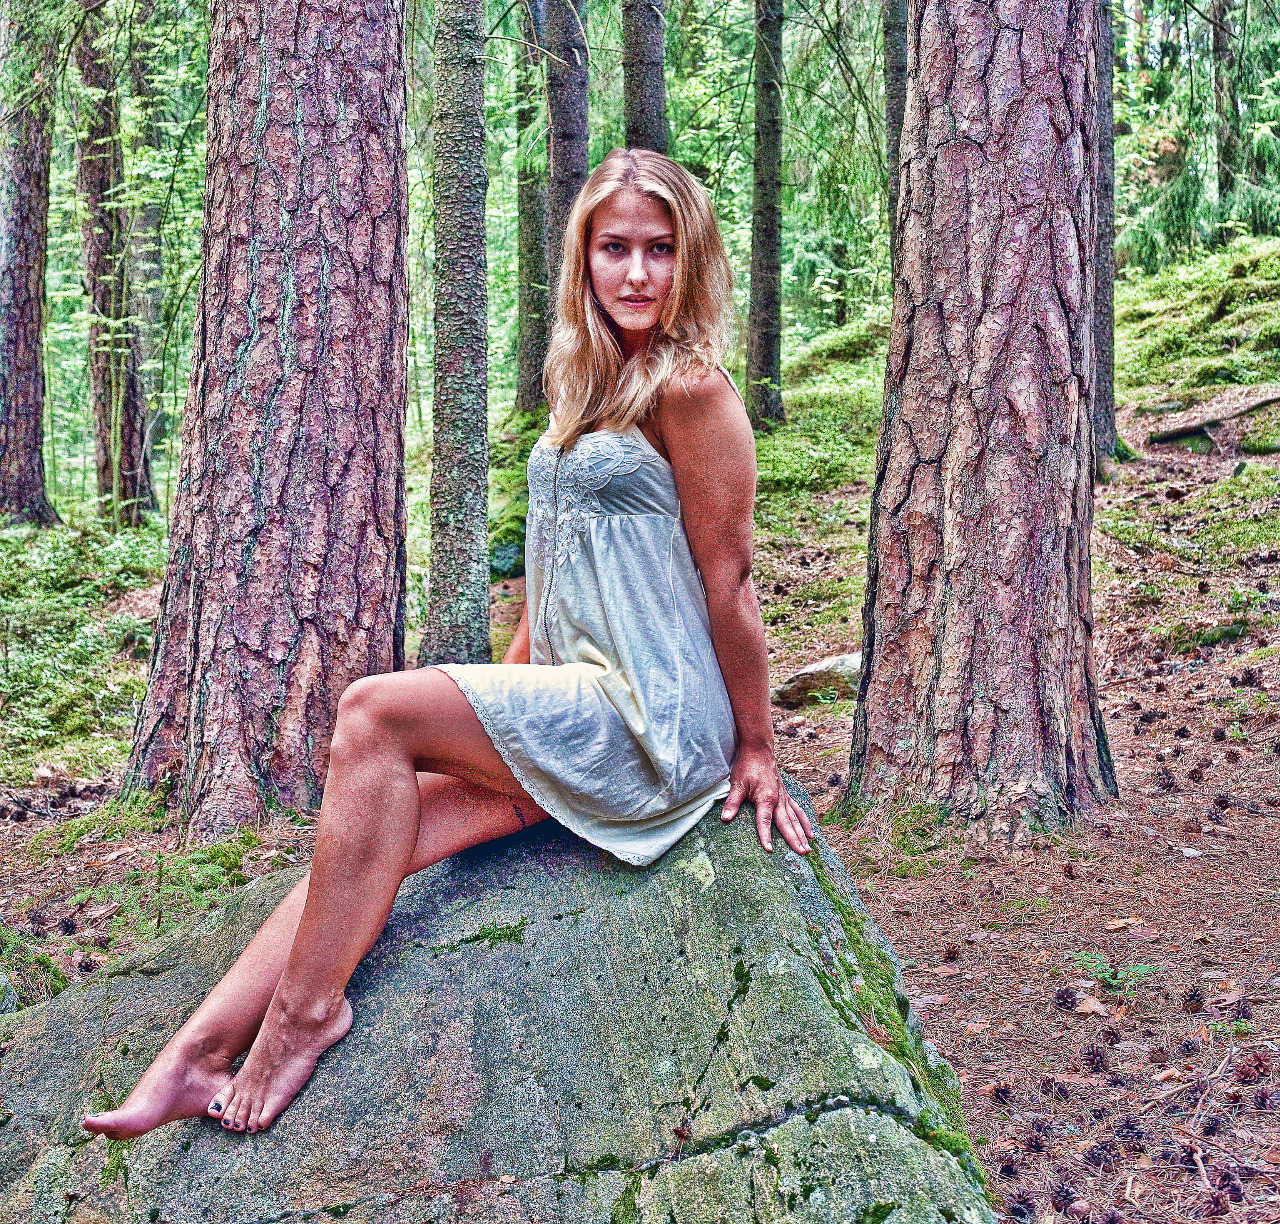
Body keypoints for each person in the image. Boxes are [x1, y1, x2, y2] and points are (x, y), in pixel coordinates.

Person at [82, 147, 812, 1141]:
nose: (638, 273)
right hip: (577, 700)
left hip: (652, 720)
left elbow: (728, 580)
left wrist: (757, 747)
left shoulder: (692, 389)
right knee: (364, 841)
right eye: (614, 249)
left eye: (660, 249)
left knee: (372, 712)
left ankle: (304, 1020)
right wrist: (504, 704)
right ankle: (198, 1052)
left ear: (692, 260)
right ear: (583, 258)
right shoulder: (585, 380)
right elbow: (559, 570)